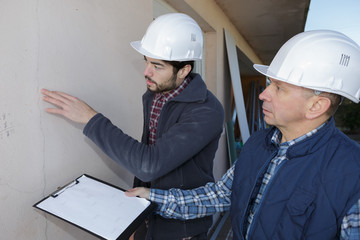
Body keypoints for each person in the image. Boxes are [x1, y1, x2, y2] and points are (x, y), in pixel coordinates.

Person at [126, 30, 360, 239]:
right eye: (270, 83)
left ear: (316, 106)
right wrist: (154, 198)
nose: (263, 94)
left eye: (279, 88)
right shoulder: (260, 143)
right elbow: (221, 195)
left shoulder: (352, 173)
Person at [41, 13, 224, 240]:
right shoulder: (155, 94)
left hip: (182, 229)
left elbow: (149, 163)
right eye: (147, 61)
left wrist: (91, 119)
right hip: (150, 214)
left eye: (157, 66)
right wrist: (136, 220)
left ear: (184, 70)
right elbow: (147, 157)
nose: (147, 72)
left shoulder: (206, 111)